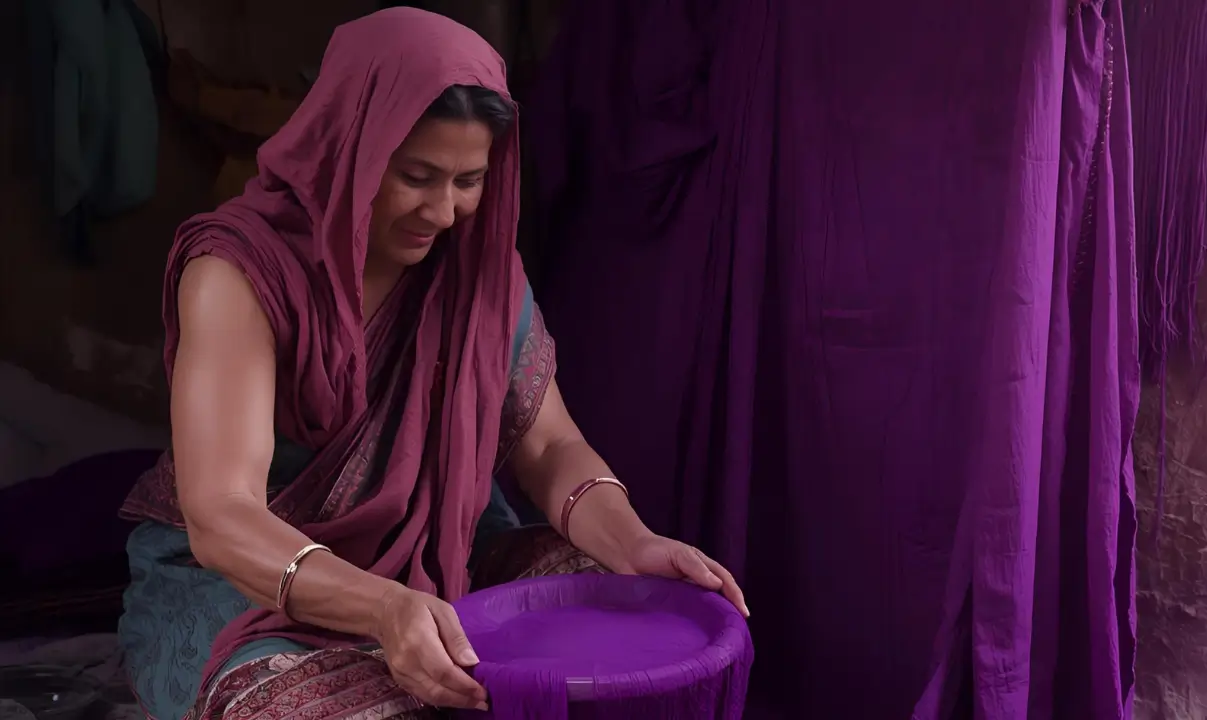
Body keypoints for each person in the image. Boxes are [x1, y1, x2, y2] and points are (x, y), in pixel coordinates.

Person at [115, 9, 746, 720]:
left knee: (630, 620)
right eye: (416, 176)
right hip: (245, 584)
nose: (443, 211)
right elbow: (223, 516)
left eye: (468, 180)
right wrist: (385, 608)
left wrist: (635, 543)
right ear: (351, 147)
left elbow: (551, 445)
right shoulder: (242, 273)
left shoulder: (475, 274)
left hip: (442, 558)